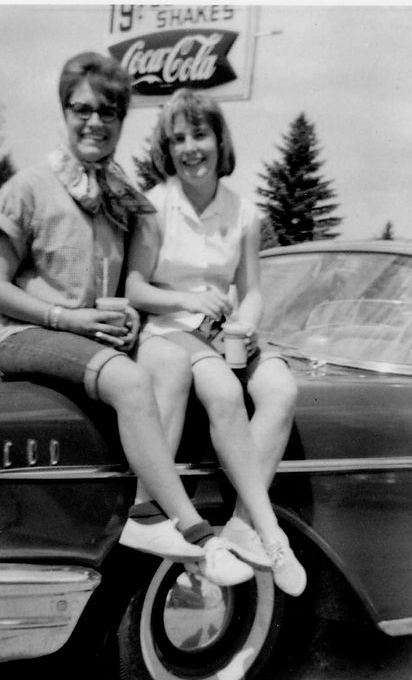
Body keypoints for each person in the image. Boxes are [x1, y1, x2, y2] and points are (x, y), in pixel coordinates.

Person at [0, 52, 260, 585]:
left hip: (82, 339)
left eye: (109, 112)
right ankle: (177, 521)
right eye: (82, 109)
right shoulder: (29, 188)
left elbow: (120, 289)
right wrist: (69, 318)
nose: (95, 122)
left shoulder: (116, 196)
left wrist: (124, 315)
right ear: (64, 112)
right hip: (20, 332)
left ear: (121, 120)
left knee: (171, 365)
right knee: (130, 380)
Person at [126, 88, 307, 596]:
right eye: (178, 138)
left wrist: (244, 324)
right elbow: (135, 289)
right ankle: (274, 536)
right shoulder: (154, 206)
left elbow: (250, 292)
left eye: (199, 134)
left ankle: (245, 526)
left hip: (222, 334)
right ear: (168, 148)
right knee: (225, 394)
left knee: (280, 390)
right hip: (168, 331)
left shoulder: (244, 212)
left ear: (218, 140)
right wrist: (186, 299)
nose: (190, 148)